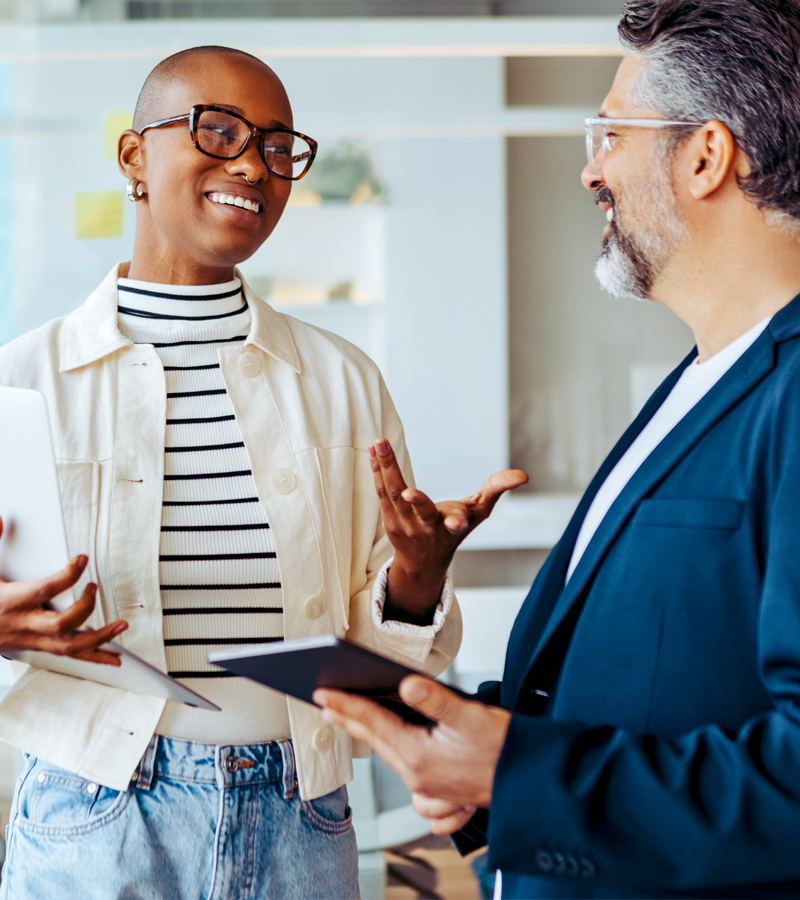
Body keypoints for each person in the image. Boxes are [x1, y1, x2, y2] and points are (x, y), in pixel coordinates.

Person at [0, 45, 526, 899]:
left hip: (299, 812)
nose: (253, 163)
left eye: (279, 147)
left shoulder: (341, 379)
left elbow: (379, 656)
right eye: (218, 131)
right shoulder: (23, 380)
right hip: (94, 814)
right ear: (134, 155)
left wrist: (418, 581)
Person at [315, 1, 800, 897]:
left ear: (707, 156)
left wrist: (524, 775)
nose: (590, 169)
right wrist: (473, 748)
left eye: (610, 132)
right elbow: (662, 675)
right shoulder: (699, 375)